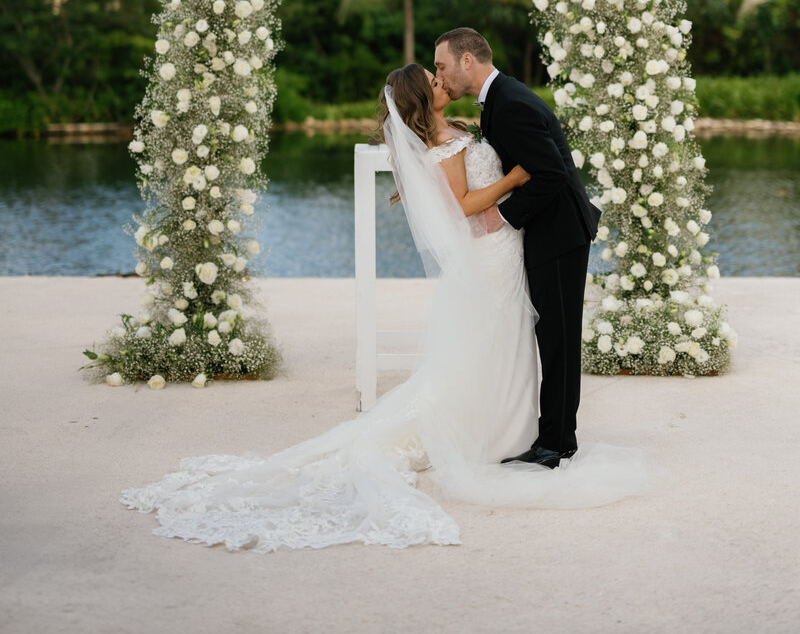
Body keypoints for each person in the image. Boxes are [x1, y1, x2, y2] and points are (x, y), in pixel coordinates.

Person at [121, 64, 644, 553]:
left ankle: (519, 431)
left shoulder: (458, 126)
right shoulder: (441, 142)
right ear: (422, 96)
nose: (441, 78)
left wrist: (511, 187)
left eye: (439, 70)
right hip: (490, 251)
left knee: (505, 339)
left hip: (504, 247)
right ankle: (498, 432)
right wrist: (514, 180)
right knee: (493, 339)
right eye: (432, 77)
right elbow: (461, 206)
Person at [434, 27, 600, 468]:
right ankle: (553, 435)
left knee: (559, 340)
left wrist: (501, 216)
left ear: (467, 60)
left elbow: (552, 174)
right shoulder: (501, 99)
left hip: (560, 233)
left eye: (442, 66)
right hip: (547, 231)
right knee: (551, 335)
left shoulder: (509, 103)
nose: (440, 75)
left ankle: (556, 444)